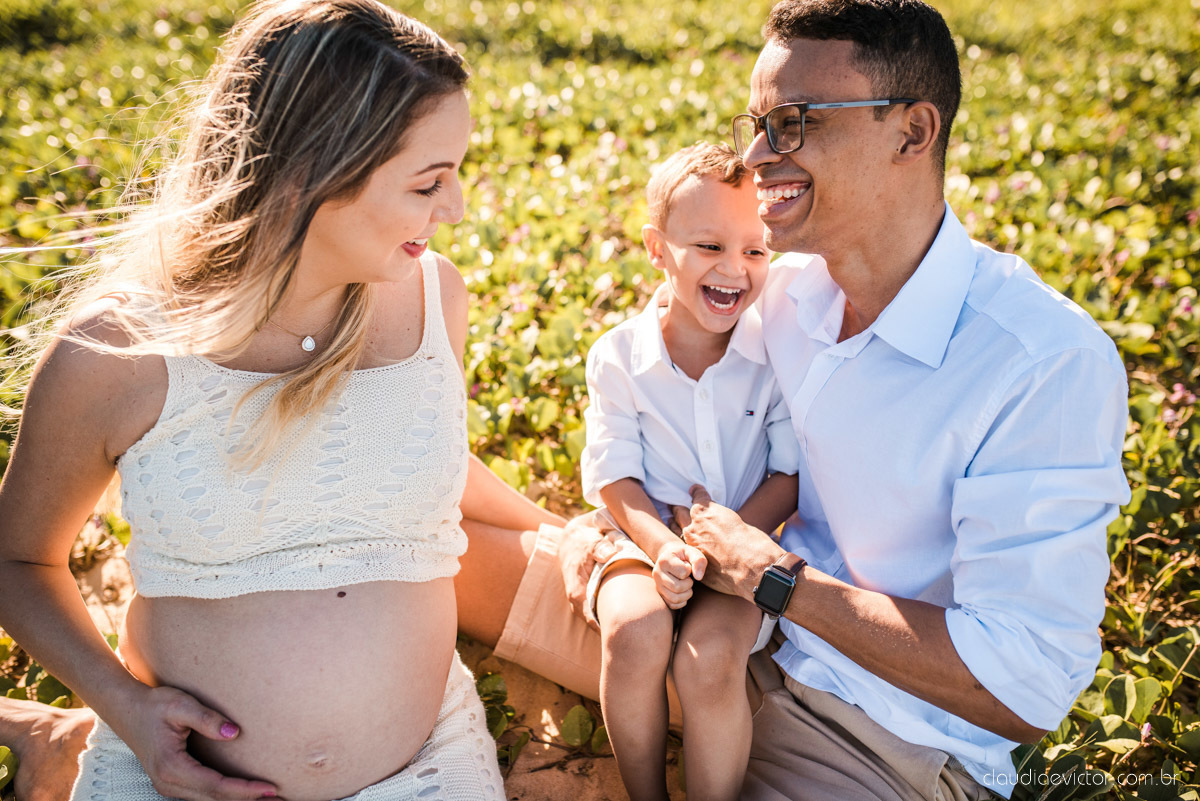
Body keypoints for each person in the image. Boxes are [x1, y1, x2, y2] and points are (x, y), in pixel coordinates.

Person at [1, 0, 1132, 799]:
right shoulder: (779, 295)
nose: (761, 154)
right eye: (759, 121)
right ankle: (76, 738)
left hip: (858, 717)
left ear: (913, 129)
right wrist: (585, 533)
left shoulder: (1040, 359)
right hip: (707, 612)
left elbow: (1023, 687)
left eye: (797, 125)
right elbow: (429, 461)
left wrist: (770, 575)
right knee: (488, 571)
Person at [0, 1, 567, 799]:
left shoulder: (436, 297)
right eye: (429, 182)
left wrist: (563, 533)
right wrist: (125, 706)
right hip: (178, 779)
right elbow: (18, 559)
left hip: (428, 770)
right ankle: (67, 737)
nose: (457, 209)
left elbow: (411, 446)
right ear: (312, 171)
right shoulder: (118, 354)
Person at [579, 142, 799, 801]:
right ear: (657, 247)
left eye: (755, 250)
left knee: (711, 663)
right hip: (644, 536)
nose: (734, 268)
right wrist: (667, 547)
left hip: (745, 544)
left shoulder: (776, 352)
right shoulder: (617, 356)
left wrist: (724, 541)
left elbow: (787, 475)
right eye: (708, 246)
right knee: (634, 630)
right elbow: (617, 477)